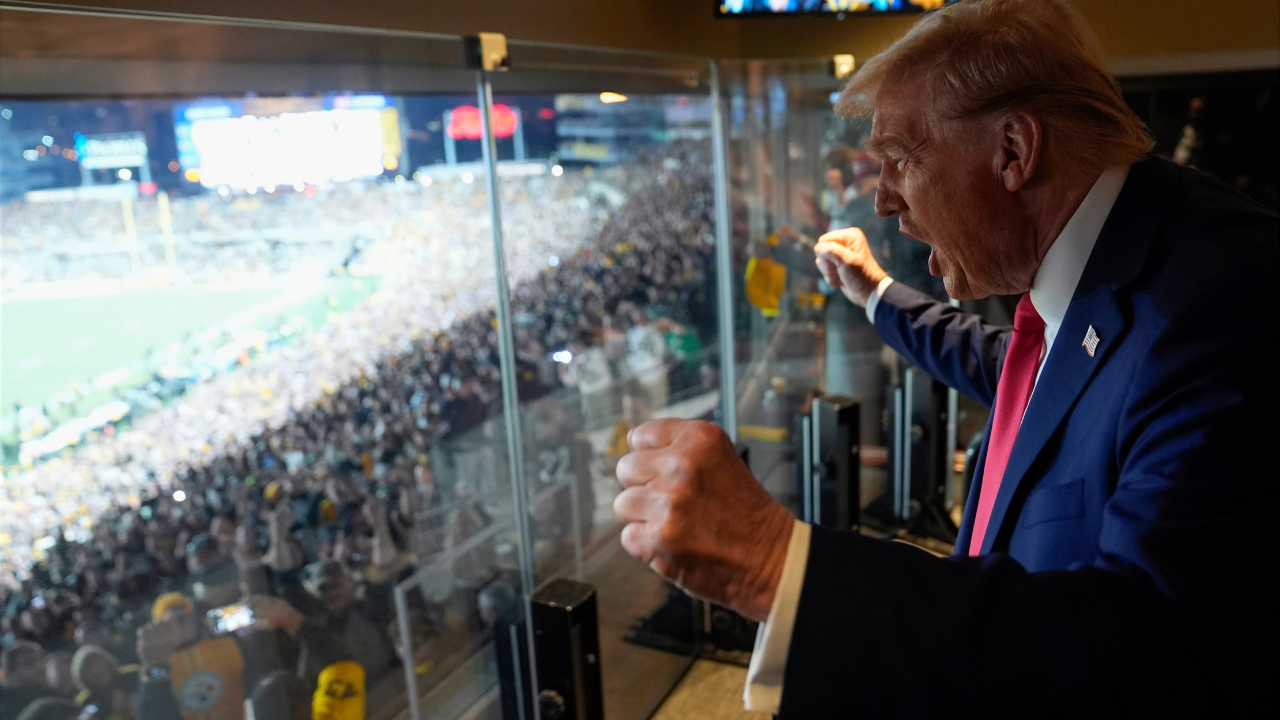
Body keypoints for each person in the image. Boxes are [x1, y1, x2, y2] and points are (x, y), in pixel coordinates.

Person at [612, 0, 1278, 717]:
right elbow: (1027, 374)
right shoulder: (1118, 255)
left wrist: (778, 565)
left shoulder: (1223, 306)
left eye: (900, 158)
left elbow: (1154, 651)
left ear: (1014, 151)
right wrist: (877, 296)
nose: (882, 200)